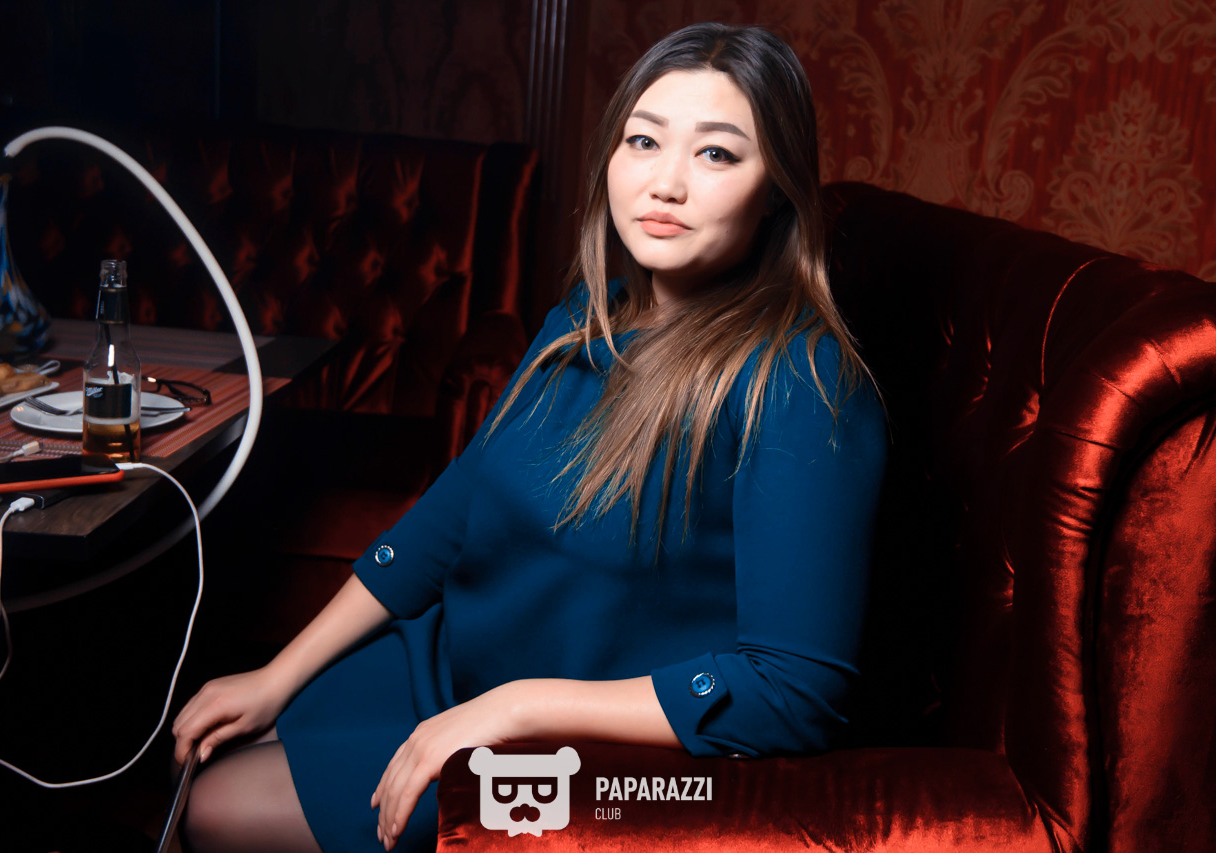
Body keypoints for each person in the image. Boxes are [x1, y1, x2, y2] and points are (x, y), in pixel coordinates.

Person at [172, 21, 889, 853]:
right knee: (205, 753)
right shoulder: (584, 319)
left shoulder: (800, 384)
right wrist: (278, 673)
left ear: (778, 192)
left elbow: (791, 691)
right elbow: (450, 517)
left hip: (598, 749)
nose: (666, 183)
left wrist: (513, 710)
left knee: (217, 808)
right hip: (457, 664)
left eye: (717, 154)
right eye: (644, 140)